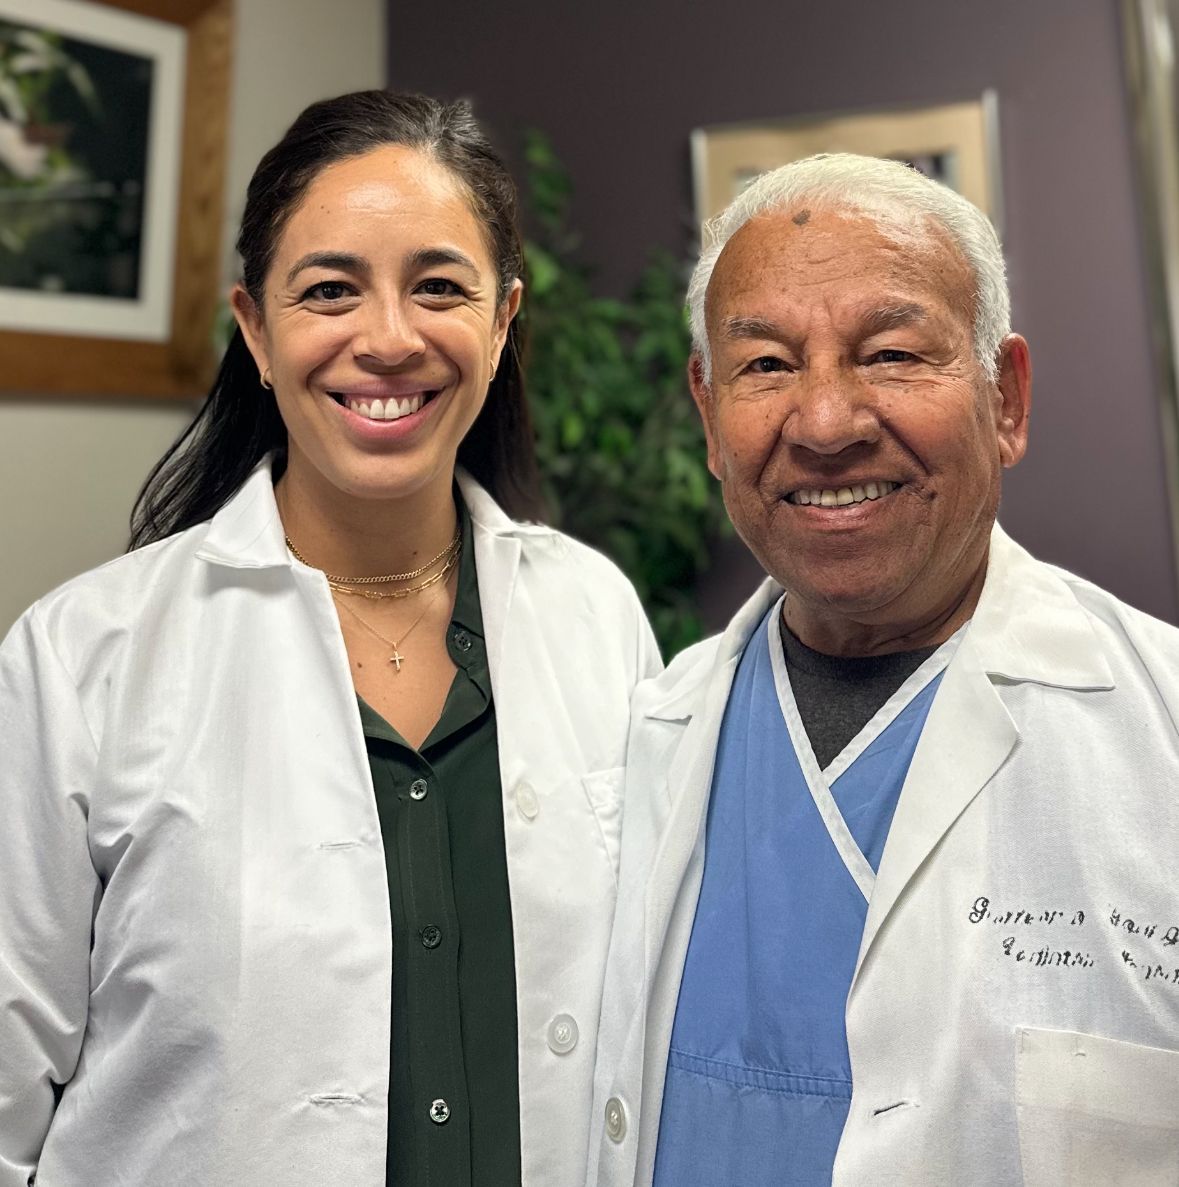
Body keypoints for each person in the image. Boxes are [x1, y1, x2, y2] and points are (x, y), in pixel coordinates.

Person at [0, 91, 660, 1186]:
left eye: (440, 287)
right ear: (255, 329)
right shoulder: (82, 659)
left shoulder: (597, 617)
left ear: (503, 324)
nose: (389, 338)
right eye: (330, 291)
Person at [589, 152, 1179, 1186]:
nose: (824, 423)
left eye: (894, 352)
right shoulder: (639, 741)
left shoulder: (1159, 727)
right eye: (767, 365)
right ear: (709, 413)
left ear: (1006, 398)